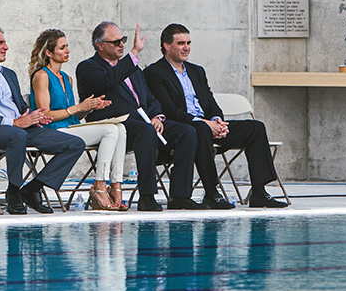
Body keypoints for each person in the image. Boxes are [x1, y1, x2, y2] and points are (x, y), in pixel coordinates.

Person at [76, 22, 230, 211]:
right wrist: (134, 54)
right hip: (113, 124)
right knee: (146, 131)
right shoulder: (88, 67)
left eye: (122, 40)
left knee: (187, 131)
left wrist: (157, 116)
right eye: (116, 42)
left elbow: (149, 98)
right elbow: (109, 80)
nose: (121, 45)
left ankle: (180, 196)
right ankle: (147, 196)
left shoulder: (133, 70)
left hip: (143, 122)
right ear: (100, 45)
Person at [144, 23, 288, 208]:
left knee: (255, 128)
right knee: (200, 129)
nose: (186, 47)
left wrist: (217, 120)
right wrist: (204, 122)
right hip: (183, 127)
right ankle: (211, 193)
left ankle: (259, 192)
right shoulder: (154, 72)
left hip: (205, 124)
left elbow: (210, 102)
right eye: (181, 43)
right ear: (166, 45)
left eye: (188, 42)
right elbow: (169, 110)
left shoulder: (197, 71)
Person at [0, 25, 85, 214]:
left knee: (75, 144)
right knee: (16, 135)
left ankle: (32, 189)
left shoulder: (9, 74)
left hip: (21, 129)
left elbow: (21, 108)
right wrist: (14, 123)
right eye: (1, 42)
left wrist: (33, 116)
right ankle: (13, 191)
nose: (6, 47)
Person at [28, 29, 128, 211]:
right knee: (110, 130)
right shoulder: (41, 76)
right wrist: (79, 107)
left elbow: (74, 115)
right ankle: (99, 187)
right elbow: (45, 115)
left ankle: (116, 186)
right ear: (49, 53)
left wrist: (89, 108)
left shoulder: (67, 79)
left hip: (70, 128)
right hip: (53, 131)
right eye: (62, 47)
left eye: (67, 46)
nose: (67, 50)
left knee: (119, 127)